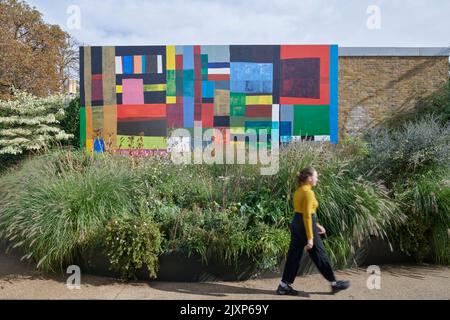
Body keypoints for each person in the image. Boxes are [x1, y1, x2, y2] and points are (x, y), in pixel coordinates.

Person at [277, 167, 350, 295]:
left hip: (296, 223)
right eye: (316, 176)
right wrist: (310, 238)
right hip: (305, 225)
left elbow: (302, 213)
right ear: (309, 178)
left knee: (294, 256)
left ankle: (283, 285)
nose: (317, 179)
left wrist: (316, 224)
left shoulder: (299, 191)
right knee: (319, 254)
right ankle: (334, 283)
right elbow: (306, 215)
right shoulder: (308, 193)